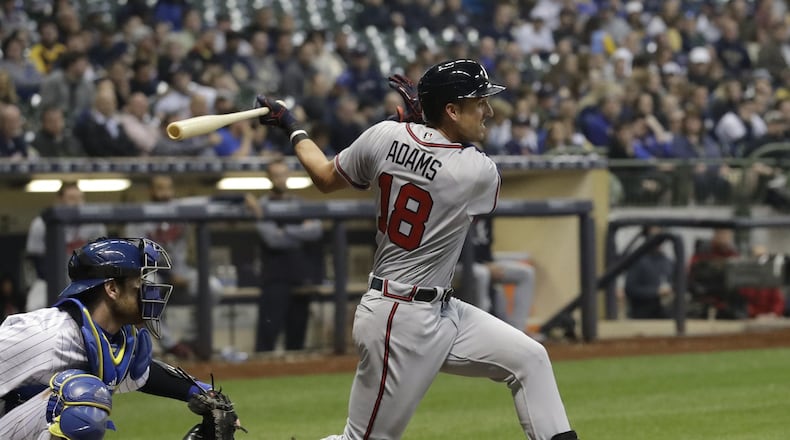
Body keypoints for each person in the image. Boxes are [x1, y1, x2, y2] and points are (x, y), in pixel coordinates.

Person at [254, 58, 578, 440]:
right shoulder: (475, 171)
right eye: (478, 103)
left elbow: (324, 177)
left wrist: (292, 126)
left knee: (531, 360)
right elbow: (440, 159)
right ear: (451, 110)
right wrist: (420, 122)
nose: (488, 111)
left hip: (441, 309)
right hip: (399, 317)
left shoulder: (384, 136)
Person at [0, 237, 241, 440]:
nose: (148, 291)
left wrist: (202, 392)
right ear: (112, 289)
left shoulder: (111, 340)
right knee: (79, 396)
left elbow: (144, 374)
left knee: (83, 395)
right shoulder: (47, 333)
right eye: (139, 283)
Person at [124, 175, 225, 359]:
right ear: (151, 191)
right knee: (146, 287)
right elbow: (137, 256)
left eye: (169, 188)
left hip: (181, 273)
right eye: (160, 188)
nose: (165, 193)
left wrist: (242, 198)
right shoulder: (138, 215)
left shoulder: (181, 208)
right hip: (152, 274)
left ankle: (191, 339)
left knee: (213, 288)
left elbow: (213, 199)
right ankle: (171, 344)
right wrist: (170, 274)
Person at [244, 158, 324, 352]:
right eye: (276, 175)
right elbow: (272, 239)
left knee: (297, 339)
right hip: (274, 279)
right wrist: (298, 231)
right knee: (267, 338)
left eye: (284, 174)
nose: (281, 179)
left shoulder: (299, 203)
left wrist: (285, 232)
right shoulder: (262, 205)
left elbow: (316, 230)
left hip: (300, 278)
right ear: (269, 178)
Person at [25, 182, 108, 311]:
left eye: (80, 198)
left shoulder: (94, 223)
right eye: (71, 198)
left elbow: (101, 258)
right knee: (34, 306)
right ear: (60, 200)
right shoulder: (42, 223)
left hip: (83, 278)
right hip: (49, 279)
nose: (76, 203)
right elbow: (37, 261)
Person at [466, 216, 537, 333]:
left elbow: (486, 249)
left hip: (483, 263)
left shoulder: (487, 212)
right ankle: (482, 332)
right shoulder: (458, 210)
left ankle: (518, 332)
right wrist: (485, 265)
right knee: (483, 273)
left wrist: (489, 264)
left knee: (526, 273)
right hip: (461, 265)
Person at [623, 226, 675, 319]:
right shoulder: (638, 261)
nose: (657, 239)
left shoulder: (667, 261)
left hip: (666, 317)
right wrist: (656, 292)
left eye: (659, 235)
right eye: (653, 236)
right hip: (643, 316)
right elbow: (630, 289)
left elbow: (675, 284)